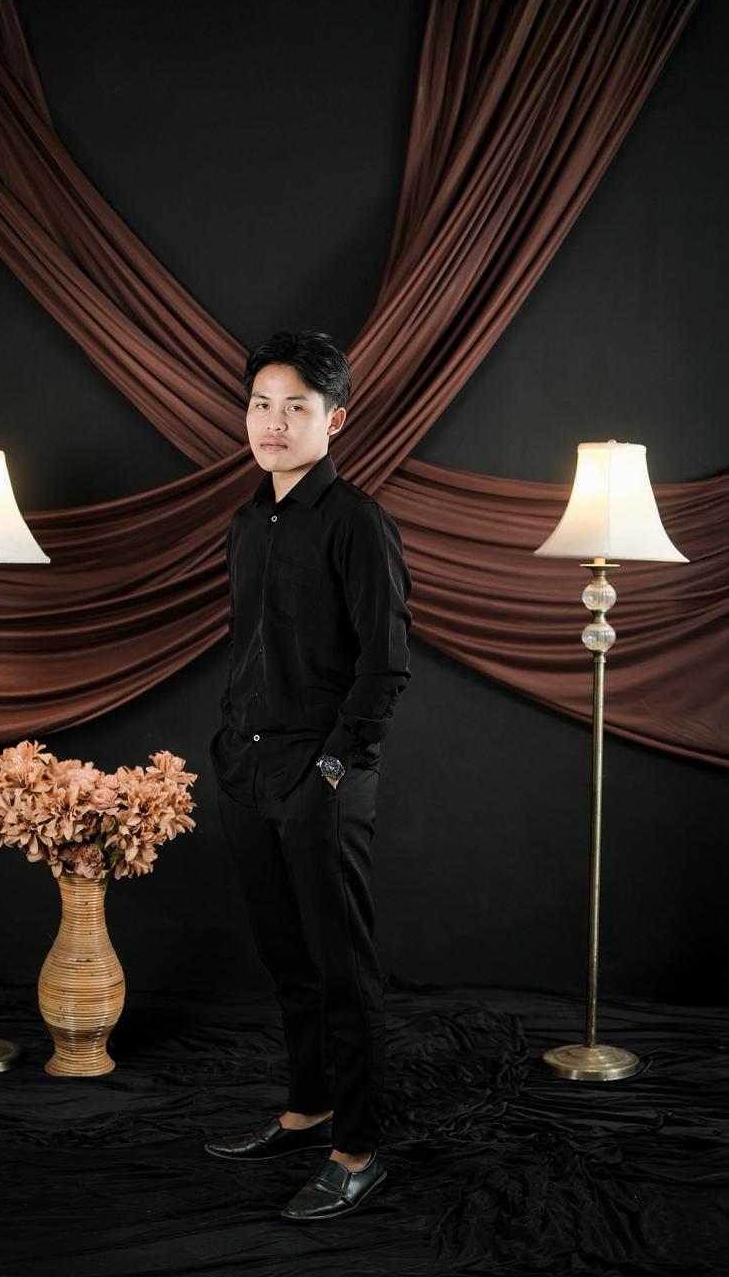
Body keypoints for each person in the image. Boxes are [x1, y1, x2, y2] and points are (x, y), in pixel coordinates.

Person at [206, 330, 412, 1221]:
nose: (274, 422)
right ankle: (307, 1109)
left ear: (335, 420)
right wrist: (231, 749)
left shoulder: (357, 520)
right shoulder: (246, 523)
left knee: (343, 973)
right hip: (248, 774)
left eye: (296, 407)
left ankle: (357, 1150)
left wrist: (333, 764)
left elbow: (386, 662)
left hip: (320, 780)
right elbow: (250, 652)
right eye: (261, 404)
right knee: (289, 966)